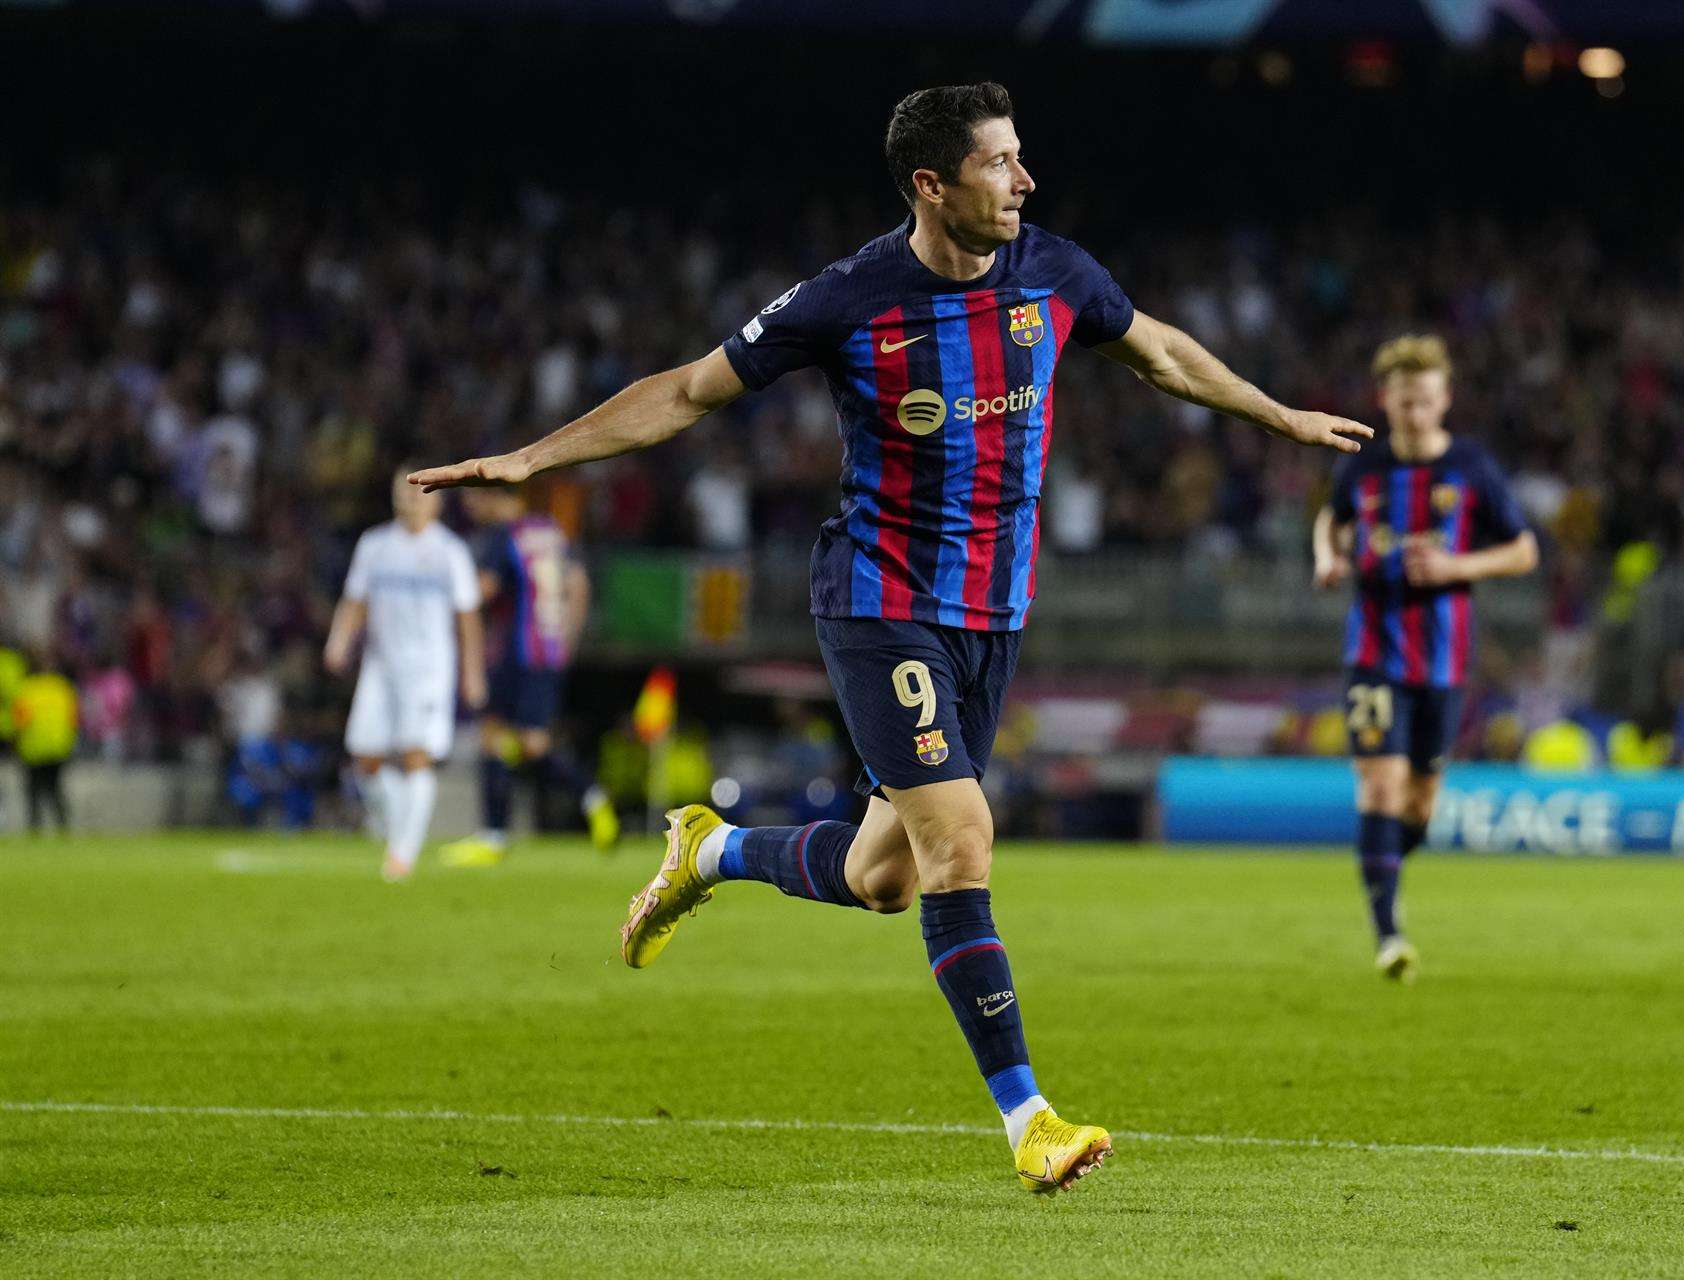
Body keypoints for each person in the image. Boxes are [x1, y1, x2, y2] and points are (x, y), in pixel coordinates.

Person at [411, 81, 1370, 1193]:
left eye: (1021, 158)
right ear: (932, 183)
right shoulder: (848, 297)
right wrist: (536, 458)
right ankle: (1031, 1120)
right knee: (963, 839)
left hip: (992, 617)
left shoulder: (1056, 273)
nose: (1025, 181)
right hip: (880, 601)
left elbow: (1161, 353)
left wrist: (1283, 416)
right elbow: (687, 391)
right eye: (1000, 164)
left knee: (884, 877)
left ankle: (708, 850)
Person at [1312, 335, 1538, 981]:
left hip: (1442, 662)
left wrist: (1457, 565)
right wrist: (1326, 557)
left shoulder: (1471, 468)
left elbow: (1524, 551)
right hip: (1373, 651)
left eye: (1428, 401)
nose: (1416, 414)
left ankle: (1381, 868)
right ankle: (1388, 934)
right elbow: (1331, 519)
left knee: (1418, 806)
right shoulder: (1365, 467)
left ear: (1445, 401)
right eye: (1407, 402)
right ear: (1387, 400)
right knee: (1379, 785)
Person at [436, 488, 619, 867]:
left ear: (495, 496)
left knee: (501, 738)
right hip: (547, 652)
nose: (470, 505)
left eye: (473, 496)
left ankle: (495, 836)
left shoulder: (505, 535)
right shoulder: (550, 532)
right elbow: (579, 585)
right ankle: (591, 797)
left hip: (515, 653)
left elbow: (483, 589)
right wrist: (565, 639)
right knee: (527, 742)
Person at [324, 468, 487, 881]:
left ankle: (403, 853)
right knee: (364, 755)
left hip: (429, 667)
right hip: (381, 665)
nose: (413, 497)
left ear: (436, 499)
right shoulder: (375, 545)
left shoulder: (450, 552)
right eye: (405, 489)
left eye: (420, 490)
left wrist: (472, 672)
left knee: (416, 755)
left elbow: (467, 617)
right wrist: (339, 641)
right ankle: (396, 827)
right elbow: (355, 599)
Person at [13, 652, 78, 833]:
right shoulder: (63, 688)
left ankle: (35, 828)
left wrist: (16, 743)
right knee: (56, 789)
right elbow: (74, 719)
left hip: (33, 748)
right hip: (59, 746)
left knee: (34, 791)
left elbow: (20, 721)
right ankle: (63, 828)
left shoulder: (26, 690)